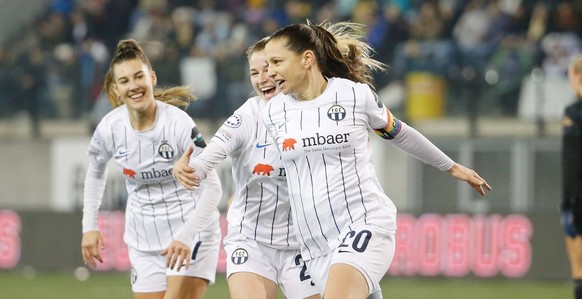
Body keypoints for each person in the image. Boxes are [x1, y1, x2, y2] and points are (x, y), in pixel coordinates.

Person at [262, 21, 492, 299]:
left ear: (307, 58)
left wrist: (451, 166)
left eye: (276, 61)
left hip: (364, 224)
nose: (269, 72)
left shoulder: (353, 96)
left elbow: (399, 133)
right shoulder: (273, 112)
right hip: (314, 244)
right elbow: (278, 172)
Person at [172, 37, 321, 299]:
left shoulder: (313, 114)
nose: (262, 78)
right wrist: (192, 168)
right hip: (251, 240)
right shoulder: (246, 117)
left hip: (301, 244)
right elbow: (212, 153)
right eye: (254, 72)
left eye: (269, 69)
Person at [81, 39, 222, 299]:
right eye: (124, 81)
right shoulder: (110, 128)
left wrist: (187, 236)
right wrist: (89, 226)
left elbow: (213, 187)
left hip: (191, 235)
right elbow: (95, 173)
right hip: (143, 242)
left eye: (139, 77)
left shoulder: (179, 124)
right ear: (115, 88)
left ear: (152, 78)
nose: (133, 86)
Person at [561, 54, 582, 299]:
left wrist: (568, 203)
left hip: (577, 198)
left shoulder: (574, 112)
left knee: (579, 270)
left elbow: (572, 163)